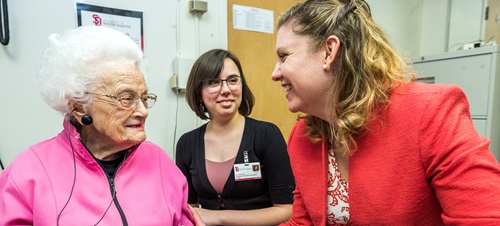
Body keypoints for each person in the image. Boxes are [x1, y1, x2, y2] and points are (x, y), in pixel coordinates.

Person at [271, 0, 500, 225]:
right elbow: (302, 222)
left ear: (329, 52)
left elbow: (485, 218)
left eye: (284, 56)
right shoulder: (303, 135)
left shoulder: (430, 112)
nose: (275, 73)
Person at [0, 26, 197, 225]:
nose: (143, 111)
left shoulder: (160, 162)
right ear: (78, 107)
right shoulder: (28, 173)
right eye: (126, 98)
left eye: (144, 98)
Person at [176, 49, 295, 225]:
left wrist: (219, 218)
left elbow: (286, 210)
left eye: (232, 80)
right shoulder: (187, 144)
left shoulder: (266, 135)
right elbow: (189, 208)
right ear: (199, 92)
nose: (226, 90)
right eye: (213, 82)